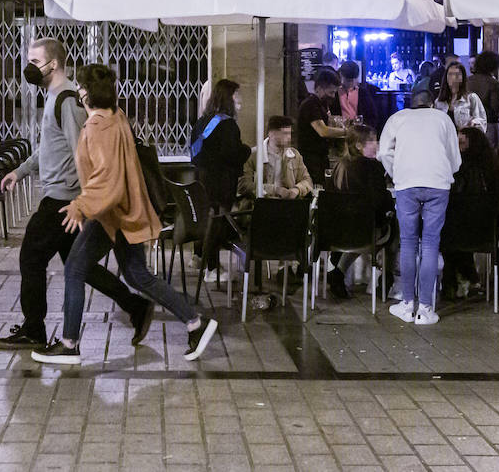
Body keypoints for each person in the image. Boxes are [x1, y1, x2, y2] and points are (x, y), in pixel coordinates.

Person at [32, 63, 219, 366]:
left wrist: (81, 205)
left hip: (110, 214)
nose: (77, 89)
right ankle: (195, 323)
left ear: (86, 92)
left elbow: (107, 179)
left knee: (75, 269)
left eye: (80, 86)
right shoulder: (116, 115)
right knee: (137, 275)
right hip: (123, 211)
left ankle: (69, 344)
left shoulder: (97, 127)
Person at [0, 39, 150, 352]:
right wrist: (20, 171)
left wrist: (85, 201)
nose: (29, 67)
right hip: (64, 196)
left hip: (62, 199)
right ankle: (136, 306)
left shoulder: (66, 100)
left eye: (35, 61)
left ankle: (34, 329)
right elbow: (49, 147)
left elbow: (84, 151)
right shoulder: (55, 97)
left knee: (31, 257)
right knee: (79, 266)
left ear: (53, 64)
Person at [378, 90, 461, 325]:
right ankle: (425, 308)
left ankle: (406, 304)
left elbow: (383, 152)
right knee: (431, 243)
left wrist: (397, 172)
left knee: (408, 243)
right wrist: (444, 171)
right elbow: (455, 159)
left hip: (407, 184)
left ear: (410, 103)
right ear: (432, 104)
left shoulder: (397, 118)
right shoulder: (443, 119)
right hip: (438, 184)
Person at [190, 78, 251, 282]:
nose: (240, 99)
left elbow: (196, 151)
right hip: (220, 182)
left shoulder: (203, 121)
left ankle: (201, 258)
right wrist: (246, 150)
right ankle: (212, 268)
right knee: (217, 222)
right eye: (236, 95)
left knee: (207, 221)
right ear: (228, 98)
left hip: (201, 179)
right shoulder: (227, 125)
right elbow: (231, 153)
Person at [326, 123, 393, 299]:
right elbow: (380, 201)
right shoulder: (374, 167)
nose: (377, 145)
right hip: (364, 231)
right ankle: (386, 279)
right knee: (394, 230)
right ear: (358, 145)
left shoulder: (339, 166)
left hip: (337, 232)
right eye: (372, 141)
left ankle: (338, 272)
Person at [442, 126, 499, 300]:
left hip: (461, 229)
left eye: (460, 142)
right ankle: (469, 277)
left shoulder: (456, 168)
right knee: (458, 230)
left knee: (450, 233)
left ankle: (455, 281)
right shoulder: (493, 168)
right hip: (486, 229)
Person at [238, 115, 314, 200]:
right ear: (271, 134)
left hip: (288, 203)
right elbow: (244, 185)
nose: (289, 137)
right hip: (260, 203)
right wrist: (274, 190)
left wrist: (297, 189)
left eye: (289, 133)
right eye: (285, 133)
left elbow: (307, 180)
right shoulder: (253, 155)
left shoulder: (294, 155)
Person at [296, 67, 346, 183]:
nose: (333, 96)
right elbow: (323, 131)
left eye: (334, 92)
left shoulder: (321, 104)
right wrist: (347, 132)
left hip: (320, 157)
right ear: (319, 88)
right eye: (331, 92)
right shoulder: (311, 105)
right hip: (311, 159)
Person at [434, 61, 487, 131]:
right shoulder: (439, 101)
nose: (453, 78)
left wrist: (472, 123)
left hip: (464, 136)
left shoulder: (471, 98)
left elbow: (482, 121)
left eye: (457, 74)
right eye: (450, 74)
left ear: (463, 77)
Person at [337, 61, 387, 133]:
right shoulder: (335, 91)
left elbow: (372, 116)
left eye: (353, 80)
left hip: (358, 132)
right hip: (339, 131)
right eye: (348, 81)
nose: (350, 84)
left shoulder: (362, 92)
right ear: (341, 75)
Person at [466, 51, 499, 144]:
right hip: (489, 124)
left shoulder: (468, 80)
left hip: (470, 123)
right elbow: (496, 107)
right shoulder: (493, 83)